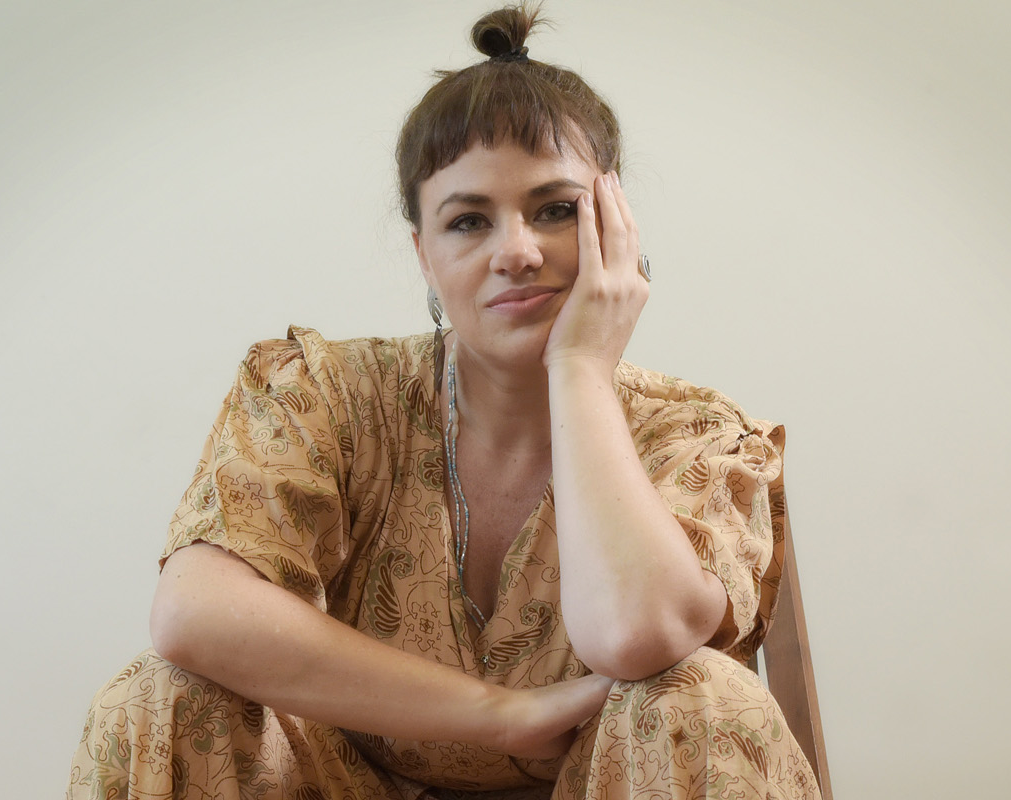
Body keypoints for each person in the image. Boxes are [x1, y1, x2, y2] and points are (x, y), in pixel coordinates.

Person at [67, 4, 819, 798]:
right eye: (469, 221)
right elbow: (194, 615)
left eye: (556, 209)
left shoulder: (696, 435)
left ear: (616, 223)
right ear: (424, 254)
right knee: (161, 692)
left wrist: (580, 370)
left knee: (697, 700)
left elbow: (636, 636)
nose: (518, 252)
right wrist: (497, 713)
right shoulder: (328, 395)